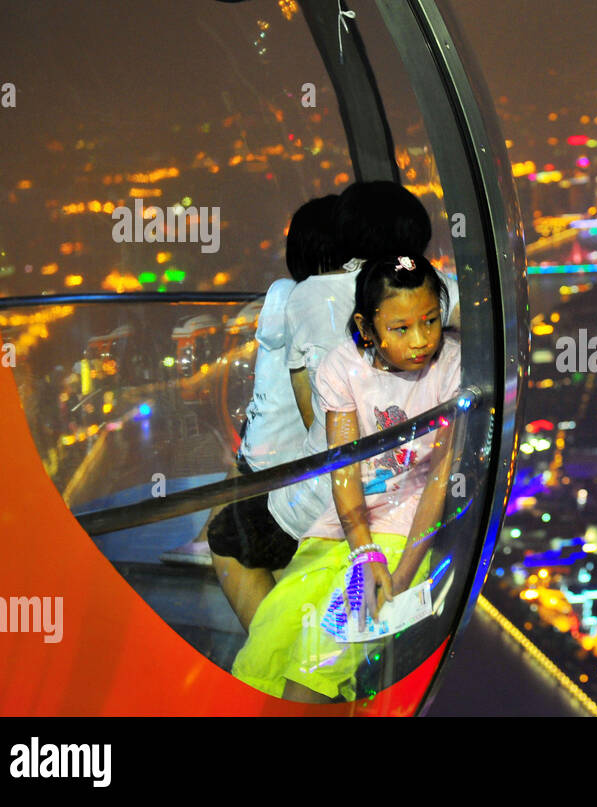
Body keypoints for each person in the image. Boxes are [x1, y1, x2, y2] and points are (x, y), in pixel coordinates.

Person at [232, 255, 461, 702]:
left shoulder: (450, 369)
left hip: (407, 530)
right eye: (400, 328)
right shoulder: (342, 367)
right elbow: (345, 467)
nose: (420, 340)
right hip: (343, 529)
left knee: (315, 667)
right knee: (268, 642)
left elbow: (439, 478)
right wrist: (363, 551)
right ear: (366, 325)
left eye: (430, 321)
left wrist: (402, 571)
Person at [267, 181, 458, 542]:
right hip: (408, 494)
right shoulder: (427, 287)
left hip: (322, 494)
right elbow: (479, 320)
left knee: (230, 537)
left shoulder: (307, 293)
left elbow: (309, 403)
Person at [191, 196, 339, 630]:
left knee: (228, 536)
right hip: (306, 472)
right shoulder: (360, 305)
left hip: (278, 471)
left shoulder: (283, 296)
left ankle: (271, 649)